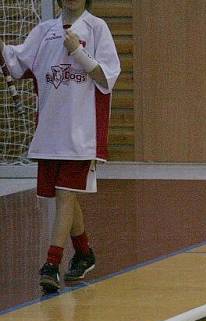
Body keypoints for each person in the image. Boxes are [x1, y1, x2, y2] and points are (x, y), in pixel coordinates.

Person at [0, 0, 120, 293]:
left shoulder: (97, 28)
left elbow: (107, 77)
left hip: (81, 134)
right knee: (65, 195)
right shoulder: (44, 31)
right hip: (50, 133)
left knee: (67, 195)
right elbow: (15, 63)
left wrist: (78, 51)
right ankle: (83, 252)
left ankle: (51, 264)